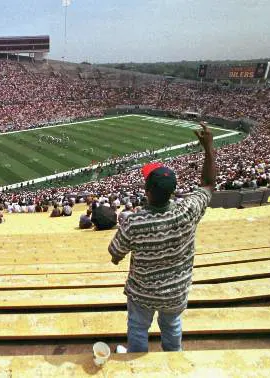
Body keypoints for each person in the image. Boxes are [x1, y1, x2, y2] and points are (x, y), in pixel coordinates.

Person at [109, 122, 215, 353]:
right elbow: (208, 184)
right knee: (172, 326)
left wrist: (118, 257)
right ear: (173, 192)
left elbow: (114, 253)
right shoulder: (188, 210)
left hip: (142, 292)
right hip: (176, 291)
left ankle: (137, 363)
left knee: (138, 328)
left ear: (146, 191)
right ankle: (173, 360)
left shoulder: (133, 222)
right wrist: (209, 149)